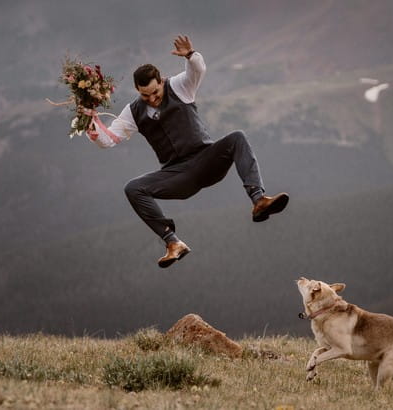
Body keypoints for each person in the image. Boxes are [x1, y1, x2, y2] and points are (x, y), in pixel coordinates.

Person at [82, 35, 289, 268]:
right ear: (137, 91)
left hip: (206, 161)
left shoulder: (179, 86)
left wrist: (191, 56)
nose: (151, 99)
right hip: (178, 176)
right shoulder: (133, 111)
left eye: (155, 92)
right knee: (133, 188)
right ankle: (172, 242)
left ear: (161, 81)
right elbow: (107, 140)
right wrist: (89, 118)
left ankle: (258, 200)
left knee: (237, 137)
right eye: (145, 95)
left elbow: (198, 70)